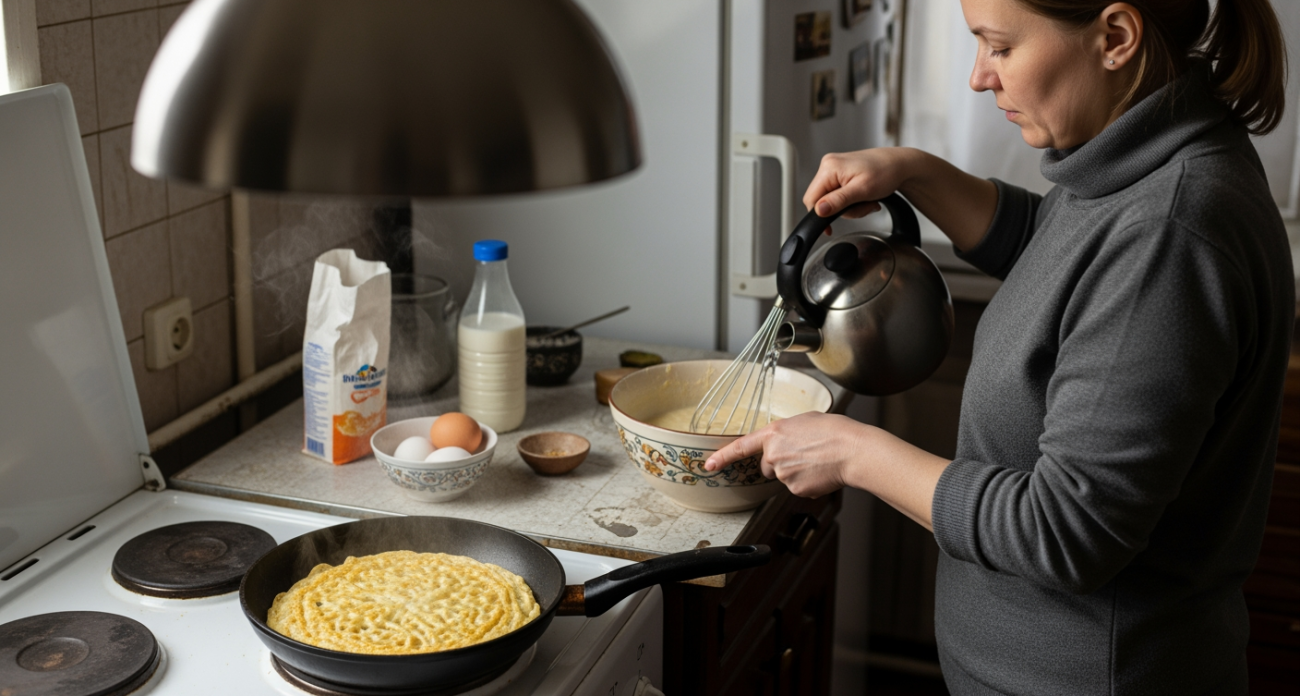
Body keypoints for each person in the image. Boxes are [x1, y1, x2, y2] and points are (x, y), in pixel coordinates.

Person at [704, 0, 1293, 693]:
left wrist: (851, 451)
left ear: (1115, 37)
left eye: (1000, 47)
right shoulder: (1146, 156)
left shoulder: (1170, 234)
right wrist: (913, 170)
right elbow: (1059, 252)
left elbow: (1065, 529)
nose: (980, 77)